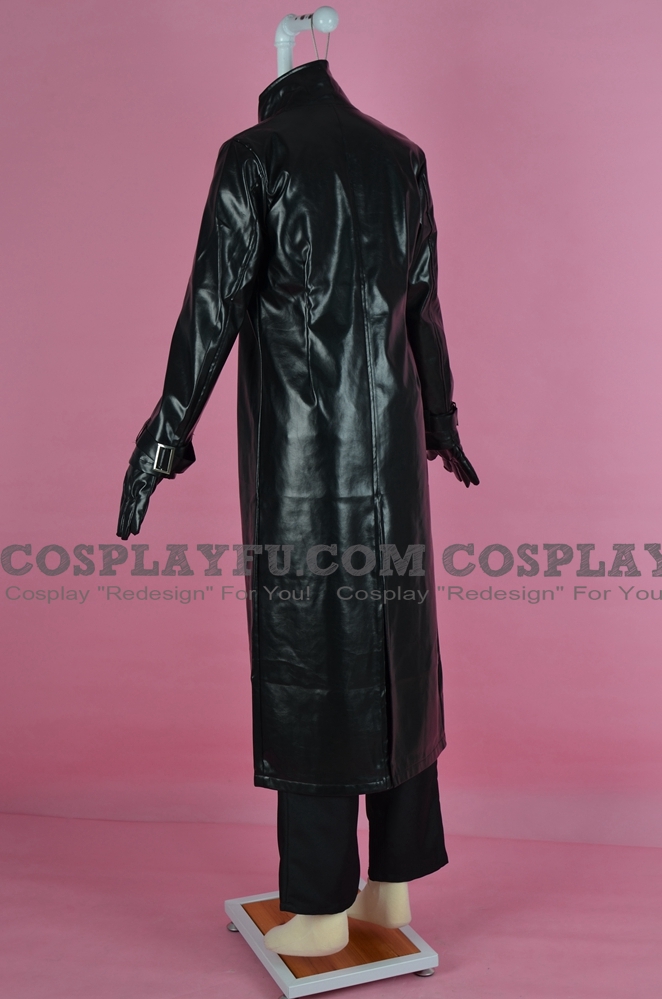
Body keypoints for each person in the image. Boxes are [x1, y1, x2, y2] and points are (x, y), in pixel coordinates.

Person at [117, 58, 478, 957]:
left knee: (312, 664)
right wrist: (440, 422)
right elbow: (424, 306)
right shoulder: (401, 156)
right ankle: (390, 886)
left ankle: (317, 907)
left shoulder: (256, 155)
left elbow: (213, 303)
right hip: (393, 461)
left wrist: (163, 437)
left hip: (303, 459)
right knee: (396, 653)